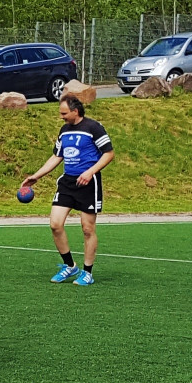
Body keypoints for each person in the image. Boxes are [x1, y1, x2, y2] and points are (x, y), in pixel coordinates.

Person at [21, 96, 114, 285]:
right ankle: (70, 266)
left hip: (89, 183)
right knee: (55, 224)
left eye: (64, 113)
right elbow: (57, 156)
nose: (61, 117)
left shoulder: (93, 127)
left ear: (75, 111)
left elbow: (109, 153)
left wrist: (90, 172)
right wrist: (36, 176)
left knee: (87, 229)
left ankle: (87, 273)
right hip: (67, 183)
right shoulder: (64, 130)